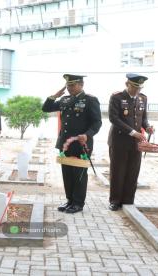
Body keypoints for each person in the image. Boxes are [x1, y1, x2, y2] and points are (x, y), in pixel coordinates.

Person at [42, 74, 102, 214]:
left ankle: (78, 203)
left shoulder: (90, 100)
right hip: (65, 144)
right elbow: (46, 108)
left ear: (81, 85)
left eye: (73, 85)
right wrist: (54, 95)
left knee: (79, 174)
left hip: (81, 143)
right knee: (67, 173)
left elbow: (97, 122)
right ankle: (69, 200)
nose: (70, 88)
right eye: (68, 85)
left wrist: (87, 135)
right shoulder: (65, 99)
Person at [108, 73, 154, 211]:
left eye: (139, 87)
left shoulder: (142, 98)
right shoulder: (117, 97)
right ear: (127, 84)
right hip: (119, 141)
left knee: (133, 172)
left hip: (136, 144)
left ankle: (128, 201)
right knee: (118, 172)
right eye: (134, 87)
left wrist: (148, 127)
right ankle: (115, 201)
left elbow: (143, 118)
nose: (137, 90)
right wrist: (134, 133)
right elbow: (114, 119)